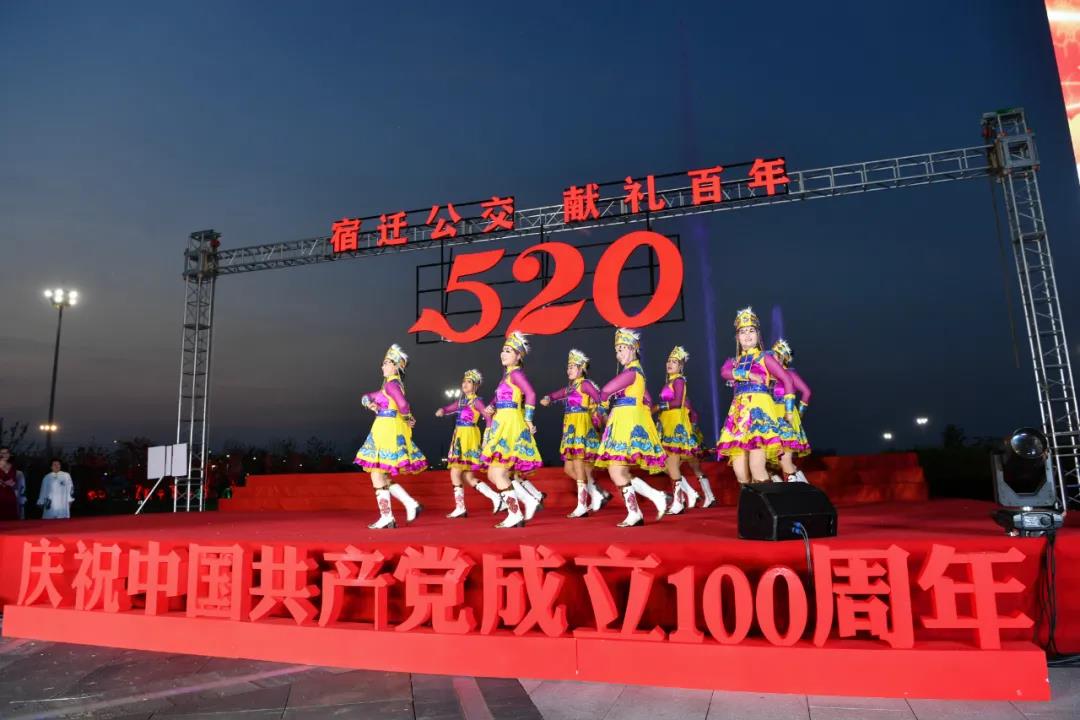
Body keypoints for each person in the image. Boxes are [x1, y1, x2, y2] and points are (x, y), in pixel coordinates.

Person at [594, 328, 671, 527]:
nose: (618, 354)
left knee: (616, 470)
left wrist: (602, 409)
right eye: (617, 351)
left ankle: (643, 507)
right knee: (621, 471)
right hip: (624, 421)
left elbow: (605, 391)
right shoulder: (637, 374)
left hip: (625, 423)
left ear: (633, 348)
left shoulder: (632, 372)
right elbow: (647, 399)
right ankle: (653, 500)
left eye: (622, 349)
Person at [717, 308, 797, 484]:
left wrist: (789, 412)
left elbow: (788, 381)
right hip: (738, 415)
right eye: (742, 332)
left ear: (758, 334)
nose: (747, 335)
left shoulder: (765, 358)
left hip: (759, 413)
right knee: (740, 473)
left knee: (757, 468)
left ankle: (769, 499)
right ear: (737, 337)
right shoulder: (732, 362)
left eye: (751, 331)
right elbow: (724, 373)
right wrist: (748, 375)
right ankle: (754, 500)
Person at [354, 344, 427, 529]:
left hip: (386, 429)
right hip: (385, 428)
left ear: (396, 367)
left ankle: (388, 516)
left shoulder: (391, 384)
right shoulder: (389, 386)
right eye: (383, 363)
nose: (382, 366)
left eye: (386, 363)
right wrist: (370, 403)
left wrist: (408, 418)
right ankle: (409, 504)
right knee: (382, 475)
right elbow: (366, 396)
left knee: (377, 474)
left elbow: (403, 405)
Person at [478, 331, 544, 528]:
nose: (503, 353)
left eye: (508, 351)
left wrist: (529, 419)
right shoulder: (506, 376)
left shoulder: (516, 373)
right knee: (492, 474)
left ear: (518, 356)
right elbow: (499, 397)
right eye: (503, 350)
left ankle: (515, 514)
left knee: (498, 474)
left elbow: (531, 394)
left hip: (510, 423)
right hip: (501, 422)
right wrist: (491, 406)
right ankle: (530, 500)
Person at [540, 349, 606, 518]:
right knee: (569, 468)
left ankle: (582, 505)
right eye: (568, 367)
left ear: (581, 368)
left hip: (581, 425)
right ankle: (597, 493)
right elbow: (556, 394)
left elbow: (601, 399)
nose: (568, 370)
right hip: (570, 426)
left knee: (578, 464)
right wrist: (548, 398)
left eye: (572, 367)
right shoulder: (570, 388)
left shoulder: (585, 384)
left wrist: (599, 417)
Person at [654, 346, 716, 508]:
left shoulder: (679, 380)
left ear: (681, 366)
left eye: (674, 362)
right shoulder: (671, 382)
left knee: (683, 465)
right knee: (668, 465)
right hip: (668, 425)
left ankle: (689, 499)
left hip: (678, 428)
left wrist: (658, 407)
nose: (670, 364)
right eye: (669, 361)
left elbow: (678, 403)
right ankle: (691, 494)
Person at [436, 369, 502, 517]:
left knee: (455, 472)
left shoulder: (476, 401)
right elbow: (450, 408)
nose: (465, 384)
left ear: (476, 386)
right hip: (460, 435)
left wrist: (487, 437)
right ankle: (496, 497)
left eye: (469, 382)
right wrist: (443, 410)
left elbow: (488, 417)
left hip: (468, 436)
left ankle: (460, 508)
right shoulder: (462, 401)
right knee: (468, 477)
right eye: (464, 381)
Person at [769, 339, 812, 483]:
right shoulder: (768, 375)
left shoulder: (789, 373)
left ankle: (796, 490)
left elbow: (807, 392)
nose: (772, 358)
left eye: (775, 355)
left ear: (782, 357)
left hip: (785, 415)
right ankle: (804, 487)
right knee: (773, 460)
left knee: (784, 457)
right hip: (771, 417)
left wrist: (799, 414)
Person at [0, 447, 22, 520]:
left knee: (11, 518)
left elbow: (13, 483)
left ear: (10, 454)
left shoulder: (12, 467)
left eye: (7, 453)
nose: (5, 455)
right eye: (2, 453)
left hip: (10, 494)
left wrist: (3, 482)